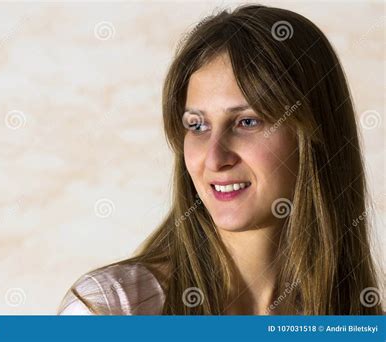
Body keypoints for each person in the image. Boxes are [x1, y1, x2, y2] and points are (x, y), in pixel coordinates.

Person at [58, 4, 383, 315]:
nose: (214, 158)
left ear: (314, 134)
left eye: (247, 122)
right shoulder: (110, 311)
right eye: (197, 126)